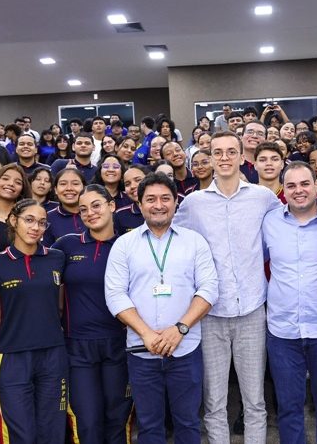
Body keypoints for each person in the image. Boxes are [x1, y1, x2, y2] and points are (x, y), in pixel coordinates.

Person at [173, 131, 282, 444]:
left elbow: (290, 227)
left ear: (240, 156)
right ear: (209, 158)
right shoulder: (194, 203)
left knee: (255, 401)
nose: (224, 158)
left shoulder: (262, 197)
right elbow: (172, 239)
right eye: (217, 152)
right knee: (214, 401)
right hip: (210, 314)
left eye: (230, 151)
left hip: (251, 311)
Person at [105, 173, 218, 444]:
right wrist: (146, 334)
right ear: (140, 204)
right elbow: (115, 294)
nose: (159, 205)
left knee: (188, 423)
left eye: (165, 198)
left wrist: (179, 329)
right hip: (141, 352)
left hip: (186, 349)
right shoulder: (125, 245)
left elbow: (209, 288)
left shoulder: (194, 241)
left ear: (175, 202)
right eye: (151, 199)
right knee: (149, 425)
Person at [262, 162, 317, 444]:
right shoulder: (270, 222)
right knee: (288, 409)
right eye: (291, 185)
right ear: (283, 190)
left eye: (304, 184)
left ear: (316, 185)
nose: (298, 191)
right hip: (282, 333)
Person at [0, 199, 68, 444]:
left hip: (53, 353)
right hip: (12, 354)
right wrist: (17, 320)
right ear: (13, 220)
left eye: (42, 222)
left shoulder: (57, 258)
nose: (36, 227)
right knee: (21, 432)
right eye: (29, 220)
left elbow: (59, 306)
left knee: (52, 429)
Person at [52, 185, 133, 444]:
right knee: (87, 422)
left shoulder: (128, 245)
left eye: (96, 205)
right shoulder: (66, 245)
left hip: (119, 345)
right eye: (83, 209)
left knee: (117, 419)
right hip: (78, 347)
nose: (89, 213)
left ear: (111, 206)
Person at [44, 168, 88, 246]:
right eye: (63, 184)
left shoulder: (95, 215)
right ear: (56, 190)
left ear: (84, 188)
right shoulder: (47, 218)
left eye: (75, 184)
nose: (69, 188)